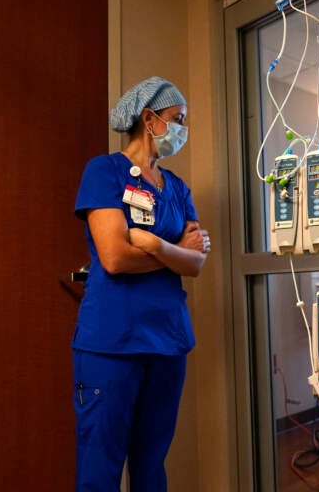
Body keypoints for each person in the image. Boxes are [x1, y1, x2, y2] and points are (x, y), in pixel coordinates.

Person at [72, 76, 210, 491]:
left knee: (152, 464)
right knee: (101, 466)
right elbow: (113, 258)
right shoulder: (105, 171)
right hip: (112, 342)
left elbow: (197, 263)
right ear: (149, 119)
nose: (182, 129)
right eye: (177, 119)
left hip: (168, 341)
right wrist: (175, 252)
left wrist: (151, 244)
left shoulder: (178, 188)